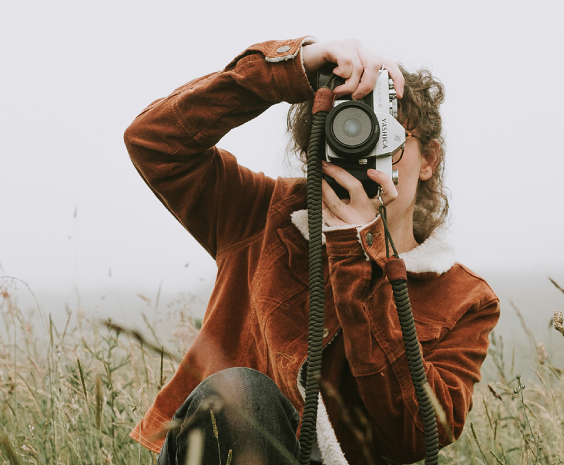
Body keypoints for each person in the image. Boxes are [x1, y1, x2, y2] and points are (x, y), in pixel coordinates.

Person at [124, 36, 500, 465]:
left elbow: (418, 436)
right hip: (224, 451)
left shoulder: (463, 299)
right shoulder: (262, 214)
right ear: (315, 148)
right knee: (242, 396)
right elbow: (153, 141)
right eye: (346, 131)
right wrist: (289, 68)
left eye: (386, 136)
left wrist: (359, 255)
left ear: (429, 158)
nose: (363, 148)